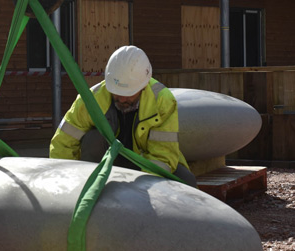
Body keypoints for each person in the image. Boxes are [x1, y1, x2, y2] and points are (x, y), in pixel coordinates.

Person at [49, 45, 196, 187]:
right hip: (107, 163)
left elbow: (162, 156)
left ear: (143, 86)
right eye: (116, 92)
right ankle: (90, 186)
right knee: (92, 139)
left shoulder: (162, 101)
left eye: (127, 94)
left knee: (186, 181)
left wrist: (140, 190)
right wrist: (64, 180)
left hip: (145, 164)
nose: (121, 99)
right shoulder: (91, 99)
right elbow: (63, 142)